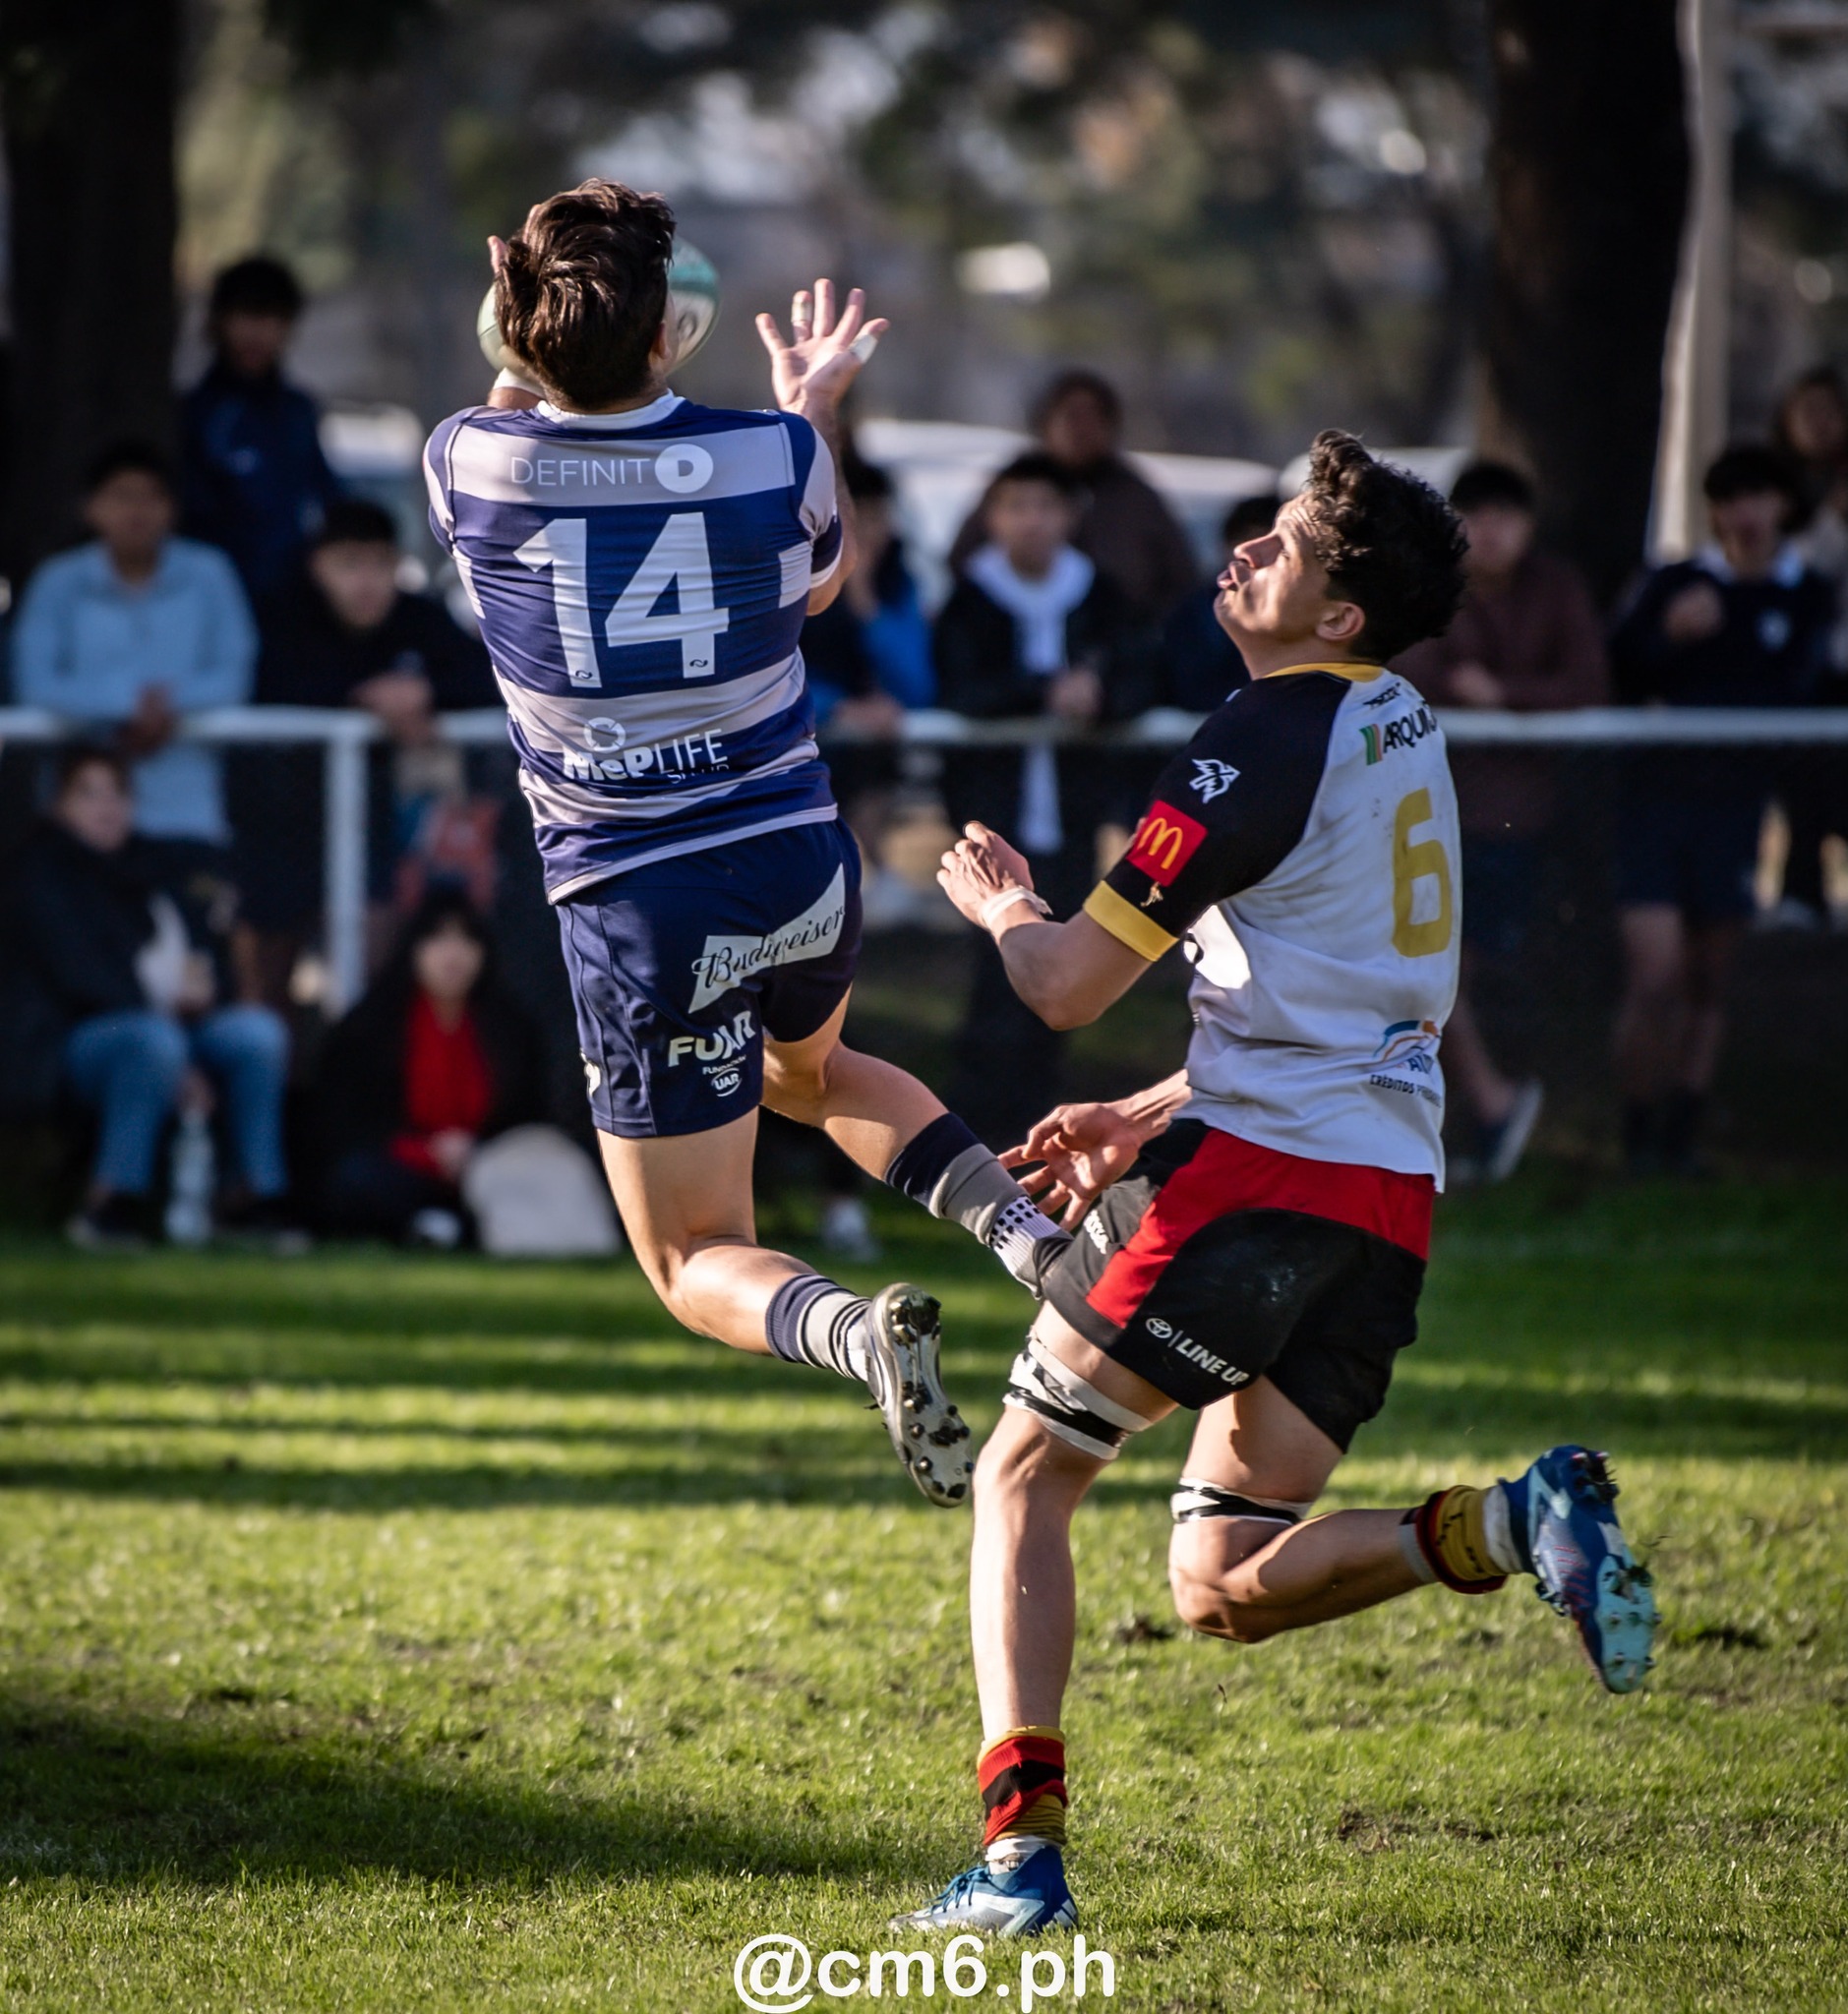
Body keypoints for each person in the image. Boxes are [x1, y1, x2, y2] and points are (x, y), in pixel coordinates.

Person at [900, 432, 1657, 1938]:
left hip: (1250, 1185)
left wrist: (1002, 908)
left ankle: (1013, 1868)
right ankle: (1512, 1526)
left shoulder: (1256, 737)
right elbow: (1352, 1004)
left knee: (1020, 1474)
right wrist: (1143, 1103)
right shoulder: (1398, 721)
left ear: (1336, 616)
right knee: (1215, 1578)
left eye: (1285, 546)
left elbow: (1057, 985)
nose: (1244, 549)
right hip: (1379, 1201)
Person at [422, 179, 1074, 1507]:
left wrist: (528, 336)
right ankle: (1032, 1238)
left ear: (511, 321)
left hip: (639, 901)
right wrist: (811, 406)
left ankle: (852, 1336)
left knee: (692, 1257)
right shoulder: (772, 457)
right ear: (669, 337)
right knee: (812, 1071)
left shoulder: (463, 461)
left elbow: (516, 420)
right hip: (793, 857)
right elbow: (822, 581)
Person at [1609, 444, 1834, 1175]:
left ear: (1783, 505)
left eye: (1757, 495)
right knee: (1655, 975)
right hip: (1656, 804)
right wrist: (1668, 639)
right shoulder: (1675, 584)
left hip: (1737, 811)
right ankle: (1634, 1130)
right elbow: (1618, 667)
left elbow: (1804, 690)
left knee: (1709, 980)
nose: (1743, 513)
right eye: (1728, 497)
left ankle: (1680, 1133)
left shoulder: (1806, 595)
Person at [933, 450, 1156, 1146]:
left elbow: (1142, 678)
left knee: (1058, 980)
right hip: (989, 827)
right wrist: (1039, 692)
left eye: (1044, 505)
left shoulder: (1099, 594)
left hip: (1070, 821)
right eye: (1014, 506)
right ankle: (975, 1145)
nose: (1030, 521)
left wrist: (1099, 698)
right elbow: (960, 691)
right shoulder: (969, 597)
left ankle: (1036, 1137)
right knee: (991, 987)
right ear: (992, 517)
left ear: (1070, 515)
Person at [1398, 460, 1608, 1182]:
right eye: (1475, 517)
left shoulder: (1556, 589)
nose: (1489, 534)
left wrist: (1502, 694)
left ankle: (1495, 1111)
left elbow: (1587, 682)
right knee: (1430, 971)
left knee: (1476, 972)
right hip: (1428, 820)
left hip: (1533, 824)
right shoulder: (1428, 591)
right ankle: (1482, 1106)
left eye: (1504, 518)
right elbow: (1405, 681)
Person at [1, 748, 299, 1250]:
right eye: (88, 792)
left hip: (175, 1028)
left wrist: (211, 995)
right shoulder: (40, 874)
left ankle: (254, 1197)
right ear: (58, 805)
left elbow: (205, 949)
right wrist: (175, 1044)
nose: (107, 805)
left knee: (256, 1033)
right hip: (67, 1044)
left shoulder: (156, 866)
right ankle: (111, 1203)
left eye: (118, 792)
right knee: (152, 1043)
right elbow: (82, 979)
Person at [238, 498, 500, 1003]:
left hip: (372, 830)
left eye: (380, 563)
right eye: (349, 564)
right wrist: (361, 698)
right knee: (267, 988)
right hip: (278, 827)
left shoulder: (415, 615)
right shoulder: (284, 616)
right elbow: (271, 686)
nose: (367, 581)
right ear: (317, 564)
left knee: (370, 979)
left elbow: (481, 675)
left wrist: (425, 693)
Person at [11, 443, 256, 853]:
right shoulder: (58, 581)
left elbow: (235, 673)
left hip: (187, 811)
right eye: (121, 496)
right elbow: (35, 682)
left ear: (172, 508)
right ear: (91, 508)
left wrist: (168, 705)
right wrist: (126, 704)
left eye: (151, 496)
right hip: (82, 818)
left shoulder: (210, 573)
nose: (136, 511)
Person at [315, 888, 549, 1245]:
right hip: (399, 1165)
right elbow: (348, 1121)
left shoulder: (511, 1028)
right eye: (438, 939)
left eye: (466, 940)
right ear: (414, 949)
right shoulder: (373, 1025)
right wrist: (425, 1152)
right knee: (358, 1182)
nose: (452, 955)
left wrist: (476, 1150)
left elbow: (528, 1117)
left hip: (487, 1167)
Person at [803, 453, 935, 930]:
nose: (869, 530)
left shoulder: (899, 584)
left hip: (875, 744)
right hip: (808, 741)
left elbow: (917, 684)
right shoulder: (791, 577)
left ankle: (871, 871)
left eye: (878, 516)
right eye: (856, 516)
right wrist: (838, 708)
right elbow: (772, 670)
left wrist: (865, 602)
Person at [949, 369, 1200, 619]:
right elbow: (964, 563)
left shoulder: (1134, 497)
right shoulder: (1017, 482)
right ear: (1047, 422)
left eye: (1093, 418)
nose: (1081, 430)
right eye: (1071, 417)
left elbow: (1179, 580)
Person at [181, 256, 344, 599]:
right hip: (213, 593)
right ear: (218, 321)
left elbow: (327, 499)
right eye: (246, 315)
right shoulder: (196, 414)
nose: (257, 332)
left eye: (272, 317)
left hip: (294, 596)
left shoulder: (298, 411)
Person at [1771, 367, 1848, 926]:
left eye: (1831, 411)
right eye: (1808, 411)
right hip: (1804, 670)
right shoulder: (1778, 492)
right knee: (1809, 782)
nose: (1820, 425)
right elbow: (1793, 574)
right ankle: (1801, 892)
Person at [1159, 495, 1275, 711]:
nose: (1255, 558)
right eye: (1246, 542)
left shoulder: (1308, 614)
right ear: (1227, 545)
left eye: (1269, 545)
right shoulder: (1196, 612)